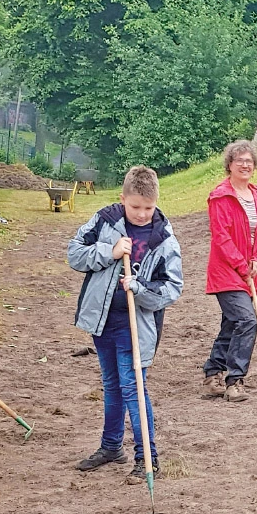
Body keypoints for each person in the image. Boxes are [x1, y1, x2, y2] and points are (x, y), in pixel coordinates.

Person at [68, 166, 183, 484]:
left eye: (148, 207)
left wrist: (140, 288)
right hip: (102, 320)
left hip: (137, 326)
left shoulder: (163, 238)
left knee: (133, 387)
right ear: (123, 199)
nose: (142, 214)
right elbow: (74, 254)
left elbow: (172, 287)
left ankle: (147, 458)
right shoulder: (104, 220)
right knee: (112, 384)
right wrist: (110, 251)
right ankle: (111, 446)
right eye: (135, 207)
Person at [202, 141, 257, 402]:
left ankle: (212, 373)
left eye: (249, 161)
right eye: (239, 160)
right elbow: (221, 237)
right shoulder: (220, 196)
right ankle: (235, 380)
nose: (245, 165)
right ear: (229, 165)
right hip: (226, 271)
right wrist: (242, 266)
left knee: (232, 323)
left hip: (250, 271)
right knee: (246, 320)